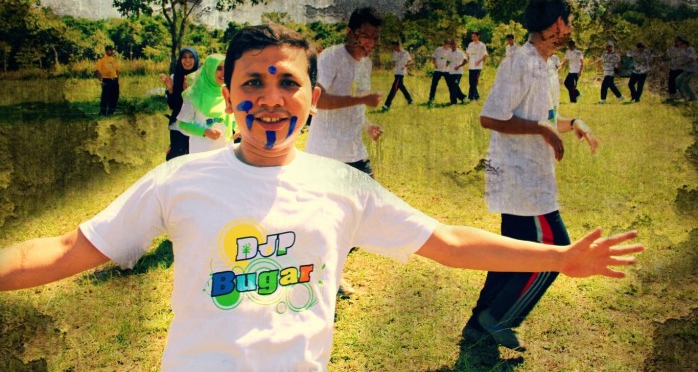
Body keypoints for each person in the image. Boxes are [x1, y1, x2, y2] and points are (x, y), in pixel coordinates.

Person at [0, 23, 645, 371]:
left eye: (287, 83)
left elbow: (448, 243)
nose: (270, 99)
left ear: (312, 97)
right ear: (228, 94)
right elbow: (67, 248)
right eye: (253, 84)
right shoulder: (179, 181)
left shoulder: (343, 187)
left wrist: (560, 259)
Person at [465, 0, 604, 352]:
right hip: (520, 177)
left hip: (531, 174)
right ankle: (500, 318)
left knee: (511, 254)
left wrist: (572, 123)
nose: (569, 29)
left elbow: (544, 117)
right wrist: (542, 130)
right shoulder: (519, 63)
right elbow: (490, 117)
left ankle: (477, 327)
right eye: (568, 22)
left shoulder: (548, 64)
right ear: (557, 23)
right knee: (556, 251)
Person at [305, 7, 383, 178]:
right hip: (325, 154)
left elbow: (354, 106)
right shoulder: (332, 57)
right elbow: (316, 100)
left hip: (355, 152)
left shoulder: (366, 64)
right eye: (365, 36)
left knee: (370, 193)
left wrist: (367, 125)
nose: (371, 42)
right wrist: (361, 99)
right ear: (350, 32)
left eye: (375, 37)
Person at [177, 53, 236, 153]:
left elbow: (233, 120)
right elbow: (182, 124)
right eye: (219, 69)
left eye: (226, 69)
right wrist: (205, 132)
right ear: (209, 70)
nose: (224, 73)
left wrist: (238, 130)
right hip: (202, 151)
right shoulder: (194, 95)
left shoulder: (229, 92)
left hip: (226, 151)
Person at [160, 47, 200, 160]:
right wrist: (170, 89)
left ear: (196, 59)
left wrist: (188, 92)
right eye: (184, 57)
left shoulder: (202, 78)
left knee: (195, 160)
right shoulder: (174, 77)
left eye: (191, 57)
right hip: (178, 126)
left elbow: (202, 105)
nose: (187, 60)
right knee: (176, 159)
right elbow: (173, 105)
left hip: (197, 126)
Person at [382, 39, 414, 110]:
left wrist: (406, 65)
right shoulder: (394, 52)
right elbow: (393, 62)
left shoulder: (405, 53)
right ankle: (410, 100)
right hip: (396, 72)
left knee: (394, 88)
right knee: (401, 86)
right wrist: (391, 66)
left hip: (401, 72)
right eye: (393, 46)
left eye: (394, 46)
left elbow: (411, 61)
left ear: (399, 46)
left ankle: (387, 105)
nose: (393, 48)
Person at [95, 45, 120, 116]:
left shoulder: (115, 60)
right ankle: (102, 113)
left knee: (114, 96)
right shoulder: (101, 60)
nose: (110, 51)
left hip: (114, 80)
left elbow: (118, 71)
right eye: (109, 50)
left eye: (111, 50)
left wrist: (118, 81)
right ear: (106, 51)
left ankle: (111, 112)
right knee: (105, 97)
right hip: (106, 80)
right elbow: (98, 71)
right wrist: (100, 81)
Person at [428, 39, 452, 104]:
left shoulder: (450, 51)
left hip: (446, 70)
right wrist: (434, 63)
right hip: (437, 70)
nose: (447, 45)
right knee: (434, 85)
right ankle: (431, 99)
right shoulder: (438, 49)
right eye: (446, 43)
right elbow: (434, 57)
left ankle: (452, 99)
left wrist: (448, 63)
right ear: (444, 43)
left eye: (448, 44)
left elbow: (451, 59)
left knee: (450, 85)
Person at [466, 31, 488, 101]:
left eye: (474, 36)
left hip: (478, 66)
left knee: (475, 81)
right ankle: (477, 96)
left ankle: (471, 97)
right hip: (471, 65)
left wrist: (479, 61)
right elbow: (467, 53)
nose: (473, 38)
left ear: (478, 36)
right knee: (471, 82)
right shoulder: (470, 44)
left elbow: (485, 55)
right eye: (472, 36)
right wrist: (466, 59)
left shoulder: (482, 45)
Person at [675, 37, 697, 102]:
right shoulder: (685, 50)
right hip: (687, 70)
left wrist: (683, 64)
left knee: (685, 83)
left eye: (681, 44)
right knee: (677, 80)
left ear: (685, 44)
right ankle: (684, 96)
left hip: (692, 70)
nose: (680, 45)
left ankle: (693, 98)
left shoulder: (690, 49)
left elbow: (692, 59)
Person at [447, 38, 467, 104]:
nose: (453, 46)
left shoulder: (460, 53)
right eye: (452, 45)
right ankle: (456, 99)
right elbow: (448, 61)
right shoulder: (449, 53)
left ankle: (459, 99)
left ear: (456, 45)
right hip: (451, 72)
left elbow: (465, 61)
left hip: (458, 72)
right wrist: (446, 64)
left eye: (455, 45)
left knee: (455, 84)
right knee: (451, 86)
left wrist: (459, 66)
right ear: (450, 46)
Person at [665, 36, 684, 101]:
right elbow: (667, 56)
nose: (676, 42)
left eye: (678, 41)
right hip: (673, 68)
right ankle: (672, 97)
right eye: (675, 41)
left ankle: (681, 97)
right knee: (670, 82)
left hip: (681, 69)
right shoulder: (671, 48)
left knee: (678, 83)